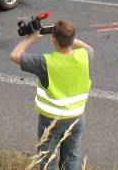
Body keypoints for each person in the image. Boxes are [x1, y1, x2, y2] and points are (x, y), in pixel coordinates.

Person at [10, 20, 93, 170]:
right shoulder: (84, 56)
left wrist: (34, 36)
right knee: (72, 157)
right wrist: (68, 37)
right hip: (76, 117)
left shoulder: (45, 62)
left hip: (51, 120)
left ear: (54, 39)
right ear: (72, 39)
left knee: (47, 159)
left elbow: (15, 55)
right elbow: (87, 47)